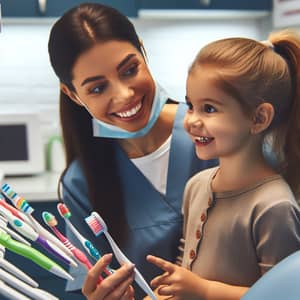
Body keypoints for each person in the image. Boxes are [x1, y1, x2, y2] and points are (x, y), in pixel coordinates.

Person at [47, 2, 217, 299]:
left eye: (129, 70)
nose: (124, 95)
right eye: (97, 88)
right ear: (72, 94)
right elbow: (83, 283)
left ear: (142, 52)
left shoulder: (217, 132)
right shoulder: (81, 184)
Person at [145, 29, 300, 299]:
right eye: (190, 104)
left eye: (209, 108)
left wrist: (204, 290)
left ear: (259, 118)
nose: (191, 120)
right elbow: (186, 270)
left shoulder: (274, 206)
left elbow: (282, 295)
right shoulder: (196, 186)